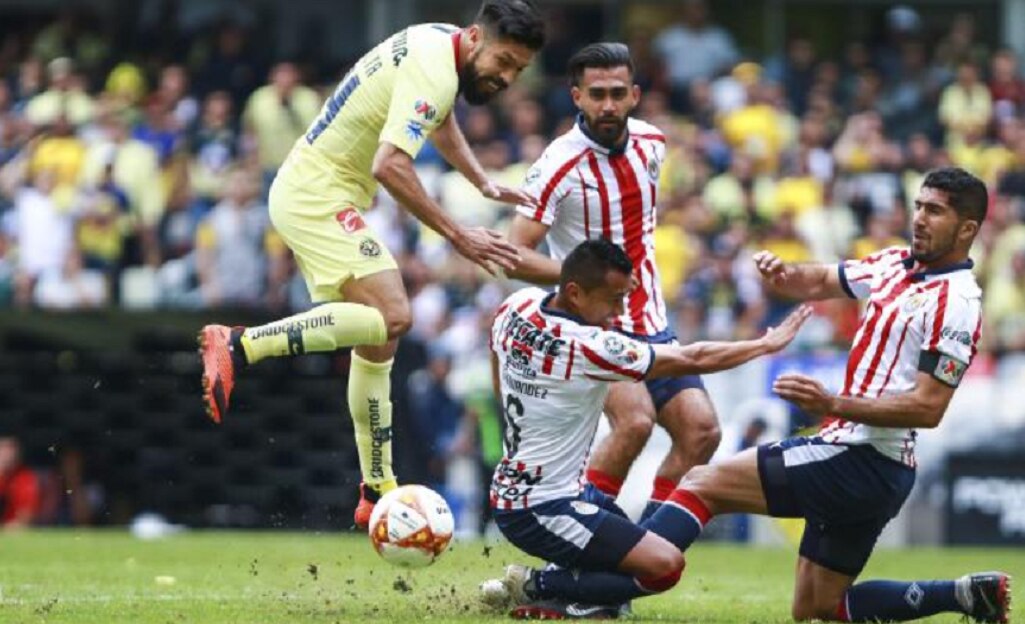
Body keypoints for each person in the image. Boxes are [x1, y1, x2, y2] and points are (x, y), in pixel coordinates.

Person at [198, 0, 546, 528]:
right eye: (504, 61)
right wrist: (457, 234)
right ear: (476, 38)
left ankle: (376, 488)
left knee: (379, 338)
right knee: (396, 316)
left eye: (518, 70)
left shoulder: (440, 42)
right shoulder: (436, 65)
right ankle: (240, 345)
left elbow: (440, 115)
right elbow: (389, 164)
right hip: (317, 195)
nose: (507, 77)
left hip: (316, 190)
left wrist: (481, 182)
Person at [646, 168, 1012, 623]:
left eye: (934, 211)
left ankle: (603, 584)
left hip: (859, 455)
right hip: (876, 469)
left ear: (967, 229)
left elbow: (928, 407)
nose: (918, 218)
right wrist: (784, 274)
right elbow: (821, 281)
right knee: (816, 608)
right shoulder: (893, 263)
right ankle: (959, 596)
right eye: (918, 206)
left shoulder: (957, 303)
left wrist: (833, 404)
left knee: (701, 484)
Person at [481, 239, 810, 619]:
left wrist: (509, 408)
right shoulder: (587, 345)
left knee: (630, 556)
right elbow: (691, 357)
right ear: (574, 292)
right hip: (541, 508)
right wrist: (764, 344)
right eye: (613, 299)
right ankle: (538, 585)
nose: (619, 312)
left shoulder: (517, 306)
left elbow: (495, 350)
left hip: (524, 491)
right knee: (663, 566)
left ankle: (575, 600)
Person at [506, 43, 720, 522]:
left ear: (635, 95)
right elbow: (514, 254)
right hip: (594, 328)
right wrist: (583, 280)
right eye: (597, 94)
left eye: (617, 93)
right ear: (576, 97)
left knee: (701, 432)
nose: (608, 105)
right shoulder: (559, 162)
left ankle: (646, 546)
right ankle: (575, 550)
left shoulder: (654, 144)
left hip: (652, 322)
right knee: (636, 423)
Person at [0, 436, 40, 529]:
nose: (7, 456)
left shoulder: (25, 478)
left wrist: (6, 528)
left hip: (11, 528)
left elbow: (26, 516)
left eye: (10, 451)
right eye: (2, 450)